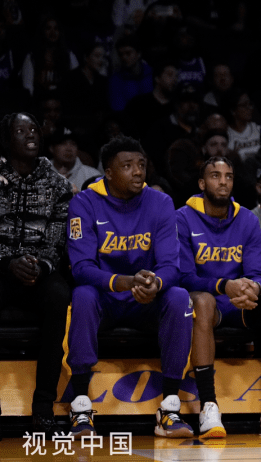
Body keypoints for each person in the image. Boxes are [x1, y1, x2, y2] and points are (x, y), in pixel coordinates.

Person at [65, 136, 195, 438]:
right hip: (106, 298)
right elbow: (81, 267)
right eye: (128, 166)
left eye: (142, 164)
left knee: (178, 297)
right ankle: (81, 405)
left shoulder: (161, 202)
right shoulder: (84, 202)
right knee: (82, 295)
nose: (138, 172)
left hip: (144, 299)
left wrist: (155, 283)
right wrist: (122, 282)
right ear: (109, 173)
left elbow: (171, 265)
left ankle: (170, 407)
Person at [176, 157, 261, 438]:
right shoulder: (182, 217)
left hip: (239, 302)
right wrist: (224, 286)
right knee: (203, 302)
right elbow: (183, 276)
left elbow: (256, 273)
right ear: (202, 183)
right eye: (215, 176)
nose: (223, 182)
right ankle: (208, 405)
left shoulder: (247, 219)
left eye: (228, 176)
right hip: (208, 300)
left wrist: (253, 288)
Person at [0, 113, 72, 436]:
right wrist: (8, 263)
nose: (30, 134)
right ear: (6, 140)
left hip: (39, 270)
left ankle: (43, 407)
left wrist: (39, 265)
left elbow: (58, 240)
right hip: (2, 268)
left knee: (59, 296)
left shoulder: (58, 184)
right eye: (20, 130)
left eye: (33, 129)